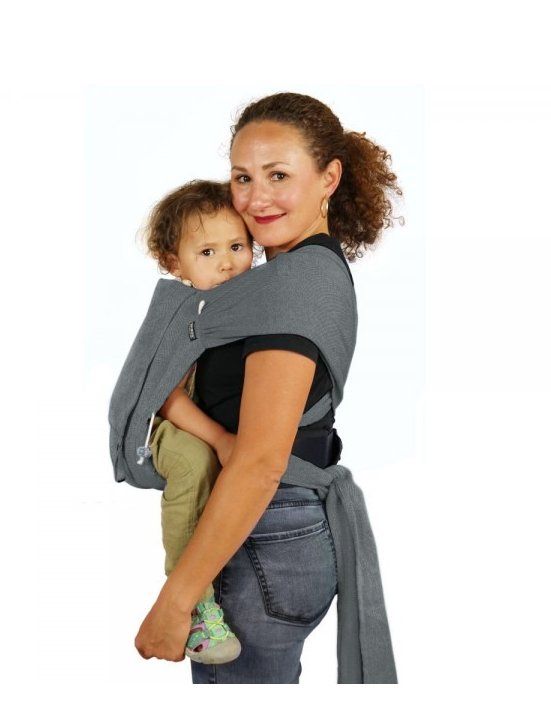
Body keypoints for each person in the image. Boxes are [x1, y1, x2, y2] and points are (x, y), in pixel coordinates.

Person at [134, 92, 401, 683]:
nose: (256, 198)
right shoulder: (286, 276)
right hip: (277, 536)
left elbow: (258, 461)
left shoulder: (294, 285)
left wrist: (177, 602)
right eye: (242, 177)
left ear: (329, 177)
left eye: (278, 175)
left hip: (265, 533)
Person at [140, 179, 255, 664]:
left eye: (237, 247)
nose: (226, 262)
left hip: (211, 427)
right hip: (173, 426)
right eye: (207, 252)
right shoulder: (185, 312)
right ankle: (193, 602)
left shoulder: (247, 304)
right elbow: (165, 396)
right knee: (193, 463)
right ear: (175, 263)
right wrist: (221, 439)